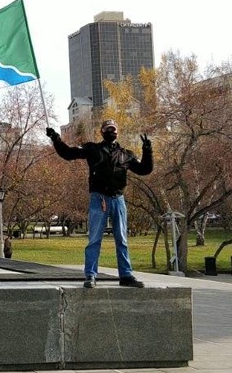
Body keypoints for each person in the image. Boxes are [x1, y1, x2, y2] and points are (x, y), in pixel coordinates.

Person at [47, 119, 153, 288]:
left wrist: (148, 151)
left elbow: (144, 169)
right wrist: (56, 139)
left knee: (122, 239)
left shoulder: (126, 154)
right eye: (108, 129)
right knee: (94, 239)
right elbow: (68, 153)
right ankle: (90, 275)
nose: (111, 132)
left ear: (117, 132)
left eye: (114, 129)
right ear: (102, 132)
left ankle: (126, 275)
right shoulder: (92, 149)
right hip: (99, 198)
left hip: (118, 199)